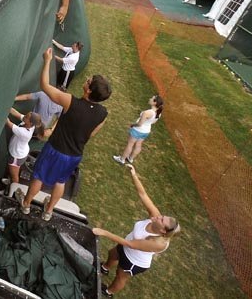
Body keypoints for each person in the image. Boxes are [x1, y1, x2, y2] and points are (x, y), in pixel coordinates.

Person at [16, 47, 111, 221]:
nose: (87, 79)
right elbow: (90, 135)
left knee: (39, 176)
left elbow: (45, 86)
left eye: (89, 81)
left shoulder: (70, 102)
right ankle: (48, 211)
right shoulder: (103, 114)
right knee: (60, 181)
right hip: (75, 155)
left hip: (55, 149)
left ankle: (26, 204)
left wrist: (47, 61)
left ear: (89, 90)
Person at [92, 164, 180, 297]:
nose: (159, 216)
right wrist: (134, 174)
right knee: (113, 253)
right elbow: (143, 195)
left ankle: (108, 292)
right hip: (126, 244)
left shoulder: (158, 242)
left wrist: (104, 232)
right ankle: (104, 268)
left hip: (134, 260)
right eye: (163, 216)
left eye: (162, 220)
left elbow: (131, 245)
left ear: (162, 231)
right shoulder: (155, 217)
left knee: (120, 276)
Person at [113, 95, 164, 165]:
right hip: (146, 131)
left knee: (130, 144)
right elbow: (153, 122)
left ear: (155, 103)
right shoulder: (158, 113)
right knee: (138, 145)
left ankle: (122, 159)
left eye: (152, 98)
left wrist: (132, 125)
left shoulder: (147, 112)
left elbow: (140, 124)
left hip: (138, 130)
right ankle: (130, 159)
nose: (150, 99)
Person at [5, 109, 44, 183]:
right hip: (21, 152)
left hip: (16, 157)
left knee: (14, 177)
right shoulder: (28, 123)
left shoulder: (24, 133)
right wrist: (8, 107)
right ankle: (9, 182)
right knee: (12, 173)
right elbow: (16, 113)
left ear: (30, 122)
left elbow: (7, 122)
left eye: (26, 117)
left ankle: (11, 191)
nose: (24, 116)